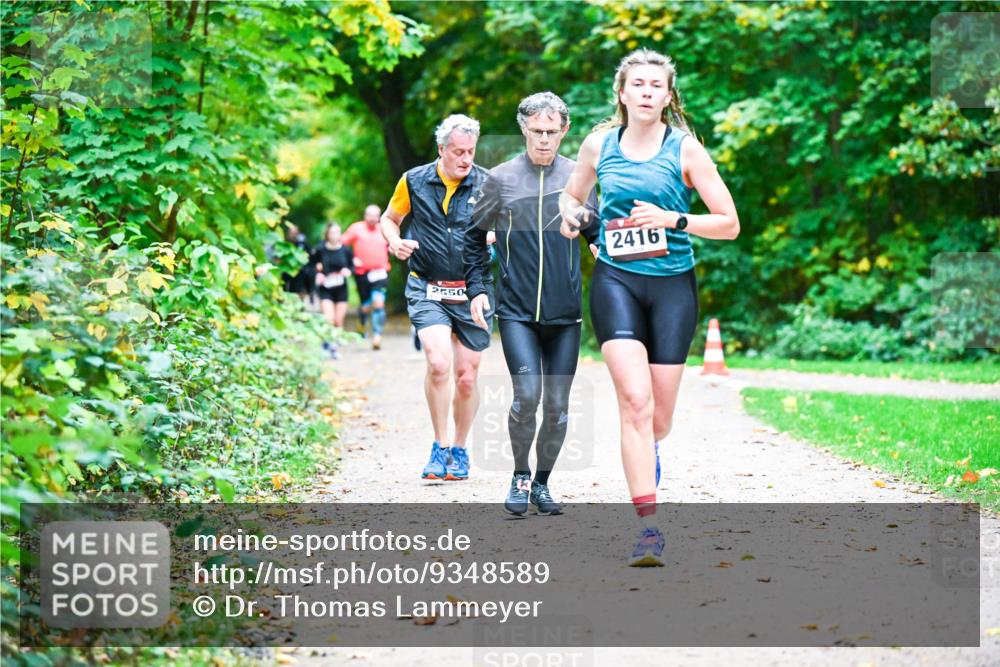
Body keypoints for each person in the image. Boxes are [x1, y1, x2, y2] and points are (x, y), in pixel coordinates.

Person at [560, 49, 739, 566]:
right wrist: (579, 224)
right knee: (634, 404)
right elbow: (570, 199)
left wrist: (671, 219)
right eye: (635, 84)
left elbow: (728, 222)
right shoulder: (599, 143)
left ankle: (649, 448)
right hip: (615, 281)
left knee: (657, 419)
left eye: (654, 85)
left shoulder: (685, 151)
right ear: (622, 92)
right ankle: (648, 528)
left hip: (672, 289)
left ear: (666, 96)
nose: (644, 92)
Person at [464, 91, 600, 517]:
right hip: (517, 311)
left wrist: (597, 237)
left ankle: (542, 484)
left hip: (565, 314)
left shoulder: (580, 180)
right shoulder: (501, 179)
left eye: (551, 131)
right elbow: (472, 241)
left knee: (557, 406)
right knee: (527, 394)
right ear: (523, 128)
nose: (544, 139)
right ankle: (520, 475)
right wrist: (478, 287)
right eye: (536, 131)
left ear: (565, 131)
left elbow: (598, 238)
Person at [380, 114, 491, 481]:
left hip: (473, 290)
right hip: (426, 284)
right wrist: (394, 241)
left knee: (466, 377)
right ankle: (439, 447)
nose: (465, 159)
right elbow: (390, 218)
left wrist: (495, 237)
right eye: (458, 151)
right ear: (441, 149)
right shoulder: (413, 180)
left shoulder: (487, 183)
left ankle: (459, 449)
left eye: (470, 152)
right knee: (439, 363)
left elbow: (506, 227)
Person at [342, 204, 391, 350]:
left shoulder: (385, 228)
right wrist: (350, 261)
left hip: (380, 273)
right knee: (365, 306)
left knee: (378, 303)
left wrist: (393, 248)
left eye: (376, 215)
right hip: (362, 273)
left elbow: (393, 242)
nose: (373, 218)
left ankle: (377, 336)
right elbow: (341, 245)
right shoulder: (356, 228)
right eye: (370, 215)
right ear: (365, 216)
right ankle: (362, 324)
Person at [312, 222, 354, 360]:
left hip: (341, 288)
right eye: (332, 233)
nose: (335, 236)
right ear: (327, 235)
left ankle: (334, 347)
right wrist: (318, 274)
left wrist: (348, 270)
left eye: (337, 232)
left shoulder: (346, 250)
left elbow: (352, 266)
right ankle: (327, 344)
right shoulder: (320, 249)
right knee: (329, 318)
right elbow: (310, 267)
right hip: (326, 288)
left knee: (338, 321)